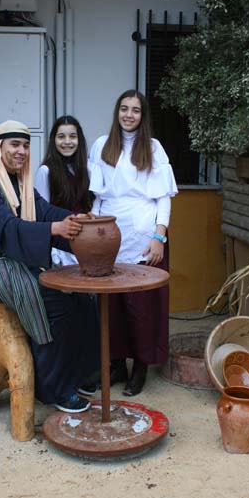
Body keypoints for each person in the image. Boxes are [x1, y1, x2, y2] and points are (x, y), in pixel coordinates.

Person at [0, 120, 100, 413]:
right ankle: (53, 390)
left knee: (82, 295)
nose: (22, 151)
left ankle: (77, 374)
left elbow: (46, 212)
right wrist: (54, 229)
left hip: (18, 259)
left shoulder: (21, 185)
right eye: (15, 145)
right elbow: (6, 228)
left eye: (26, 145)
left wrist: (77, 222)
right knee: (52, 299)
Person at [88, 90, 178, 396]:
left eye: (135, 110)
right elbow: (97, 198)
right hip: (109, 240)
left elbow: (163, 198)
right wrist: (93, 234)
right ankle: (115, 365)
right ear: (117, 112)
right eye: (124, 109)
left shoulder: (153, 148)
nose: (129, 114)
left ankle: (140, 367)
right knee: (110, 308)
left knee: (141, 308)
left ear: (143, 115)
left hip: (143, 239)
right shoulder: (102, 145)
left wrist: (159, 237)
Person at [34, 115, 94, 266]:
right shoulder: (45, 171)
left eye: (72, 136)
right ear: (53, 140)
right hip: (59, 249)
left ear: (79, 140)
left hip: (86, 244)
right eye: (61, 136)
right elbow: (41, 213)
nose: (67, 142)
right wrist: (52, 250)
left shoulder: (87, 169)